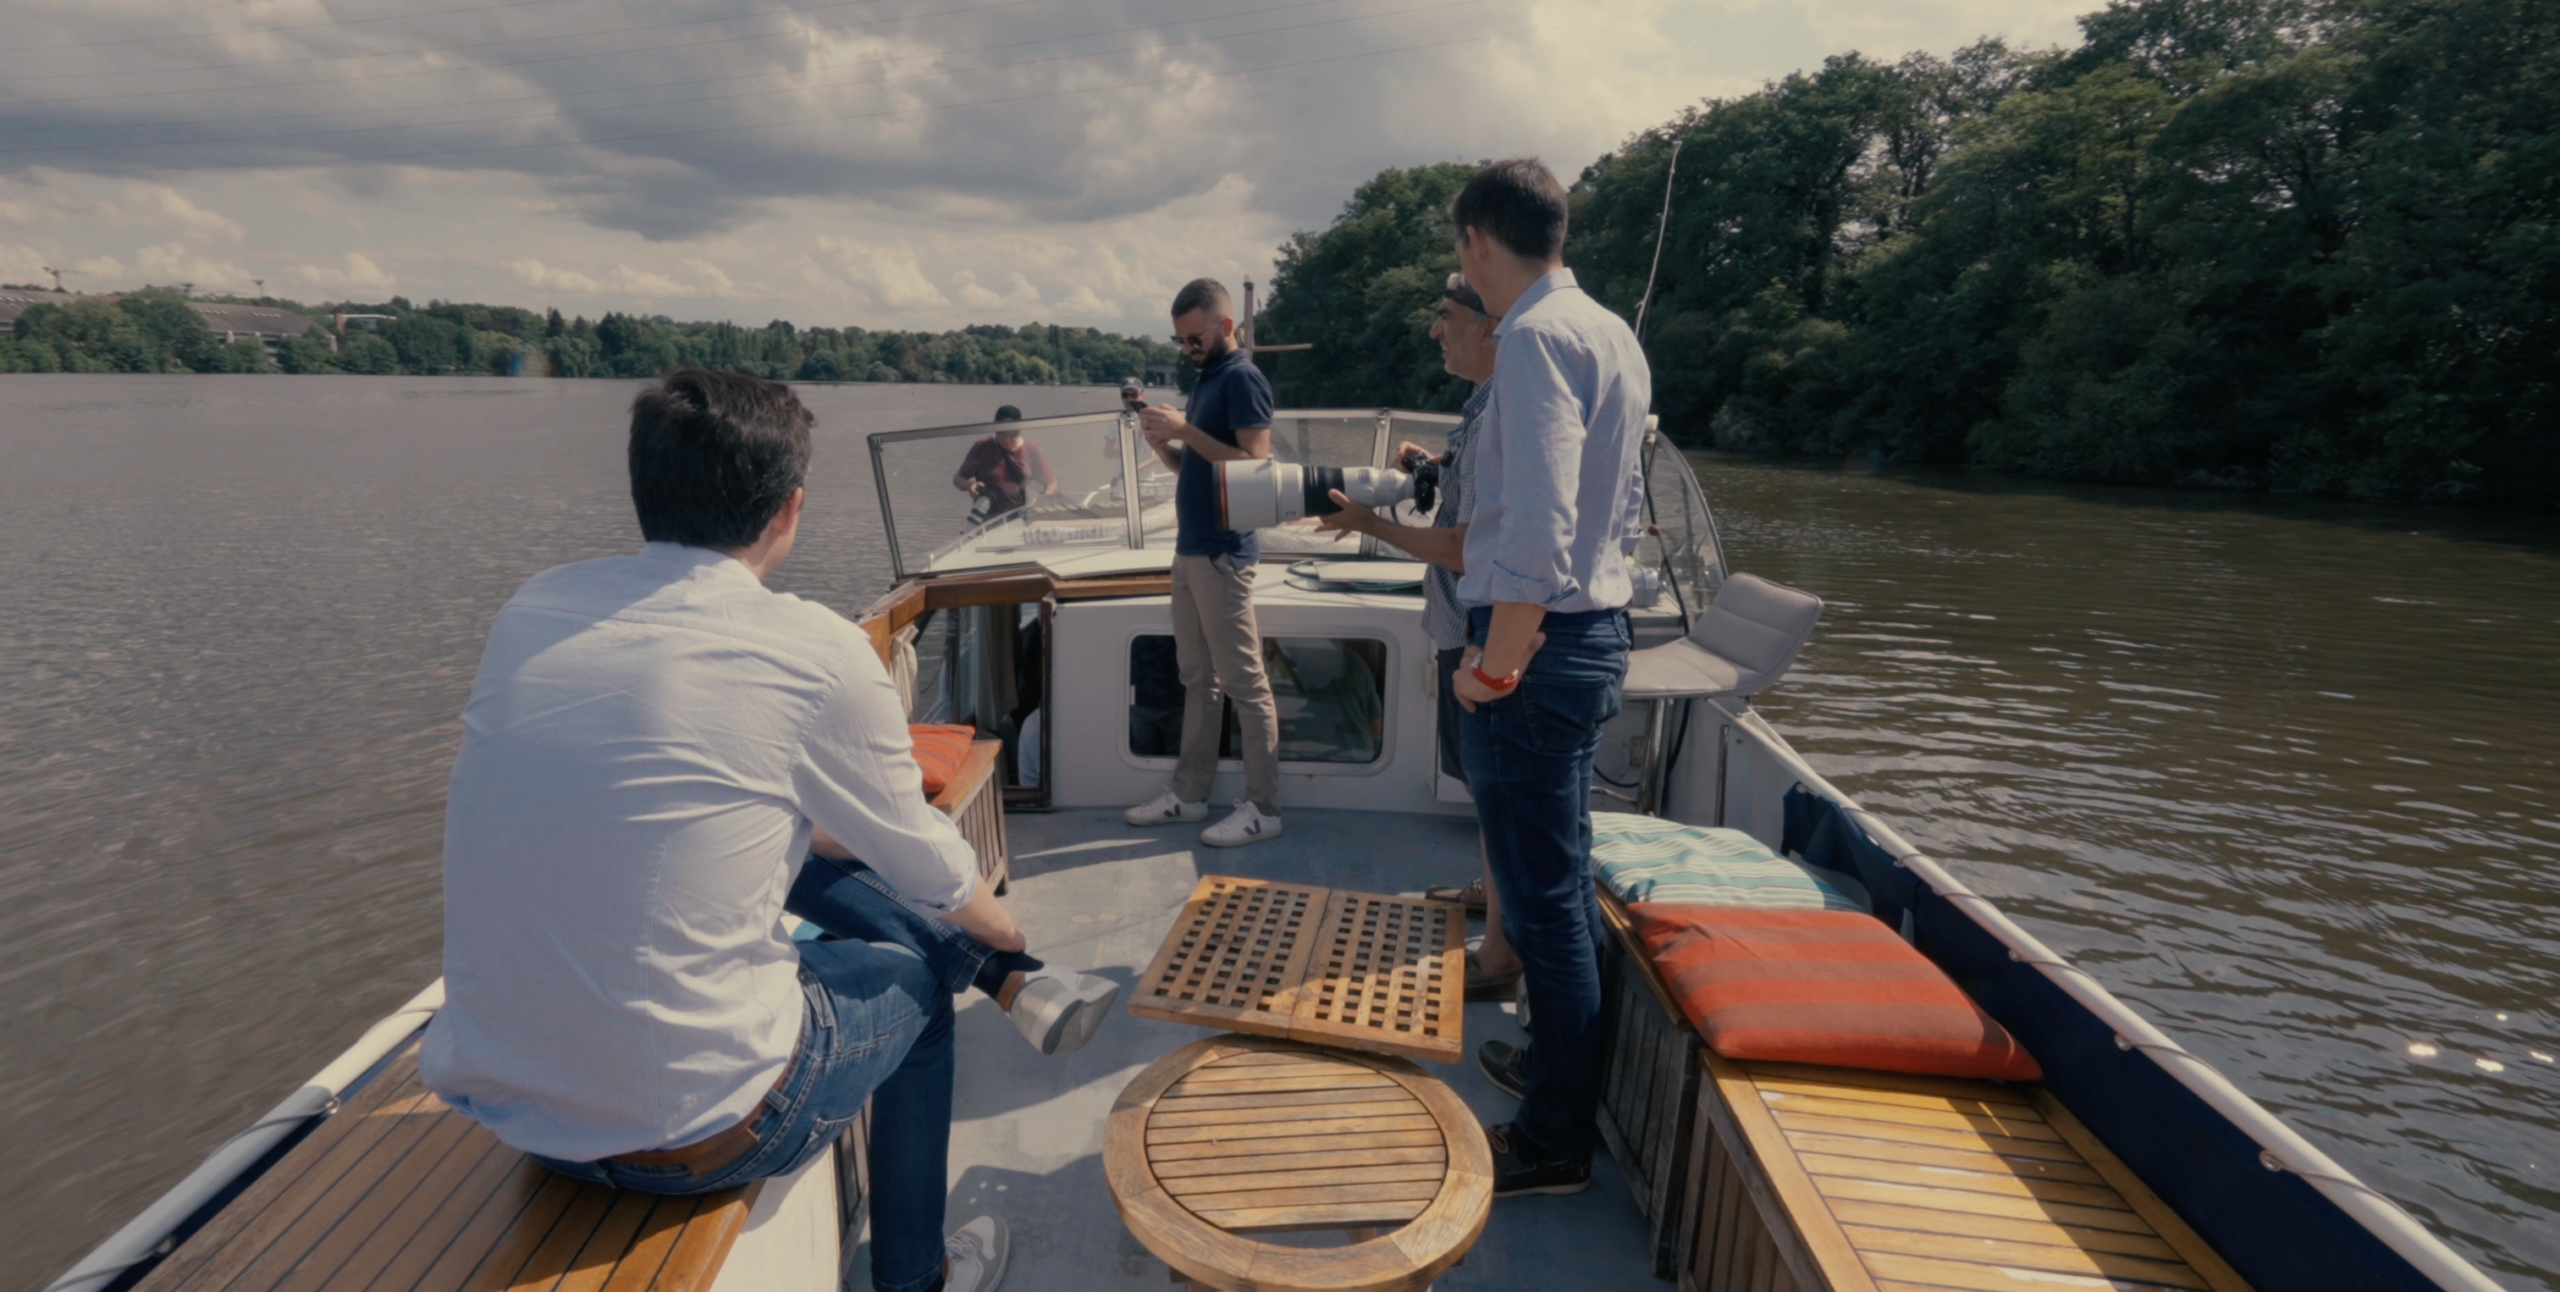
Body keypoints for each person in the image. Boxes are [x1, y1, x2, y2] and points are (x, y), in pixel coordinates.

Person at [421, 370, 1119, 1292]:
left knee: (779, 849)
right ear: (790, 507)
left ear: (643, 488)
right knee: (919, 990)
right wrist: (1002, 940)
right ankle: (918, 1271)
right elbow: (933, 870)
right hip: (707, 1125)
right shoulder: (814, 648)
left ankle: (997, 984)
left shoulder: (533, 608)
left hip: (516, 1114)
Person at [1450, 159, 1651, 1198]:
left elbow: (1538, 520)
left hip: (1538, 649)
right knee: (1557, 887)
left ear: (1479, 239)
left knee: (1543, 905)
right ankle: (1555, 1076)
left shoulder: (1530, 336)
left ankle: (1551, 1141)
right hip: (1590, 633)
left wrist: (1495, 665)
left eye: (1461, 249)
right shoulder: (1610, 330)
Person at [1314, 272, 1521, 1003]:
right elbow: (1474, 497)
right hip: (1462, 625)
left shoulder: (1501, 413)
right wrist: (1434, 466)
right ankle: (1496, 898)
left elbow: (1470, 549)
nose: (1435, 330)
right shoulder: (1486, 403)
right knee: (1486, 791)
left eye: (1446, 316)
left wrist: (1370, 524)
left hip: (1478, 629)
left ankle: (1501, 954)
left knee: (1497, 795)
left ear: (1491, 326)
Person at [1121, 279, 1284, 848]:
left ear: (1226, 326)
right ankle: (1190, 795)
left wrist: (1184, 429)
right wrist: (1162, 443)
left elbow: (1254, 465)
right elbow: (1198, 467)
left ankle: (1264, 808)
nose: (1188, 349)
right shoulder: (1209, 378)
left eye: (1196, 338)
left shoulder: (1242, 378)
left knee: (1244, 684)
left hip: (1221, 554)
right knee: (1197, 679)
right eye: (1181, 341)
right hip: (1191, 551)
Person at [953, 406, 1055, 523]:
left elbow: (1051, 482)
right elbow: (958, 478)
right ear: (995, 428)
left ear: (1019, 429)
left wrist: (1043, 497)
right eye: (1001, 433)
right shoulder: (982, 447)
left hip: (1020, 518)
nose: (1006, 439)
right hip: (987, 520)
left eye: (1011, 433)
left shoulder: (1031, 450)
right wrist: (969, 486)